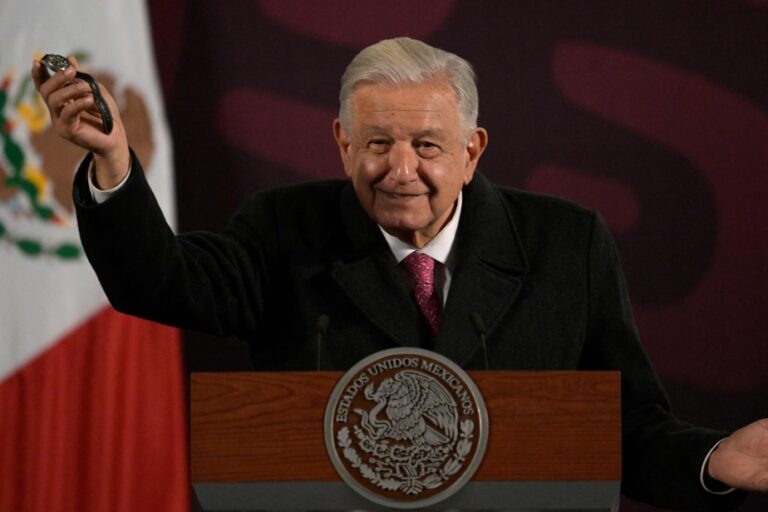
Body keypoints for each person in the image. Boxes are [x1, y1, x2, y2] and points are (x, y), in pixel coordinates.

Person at [34, 37, 767, 511]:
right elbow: (156, 280)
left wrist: (712, 459)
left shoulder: (565, 244)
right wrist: (112, 164)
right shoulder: (284, 229)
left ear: (474, 149)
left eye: (427, 143)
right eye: (377, 142)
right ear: (342, 143)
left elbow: (623, 427)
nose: (400, 169)